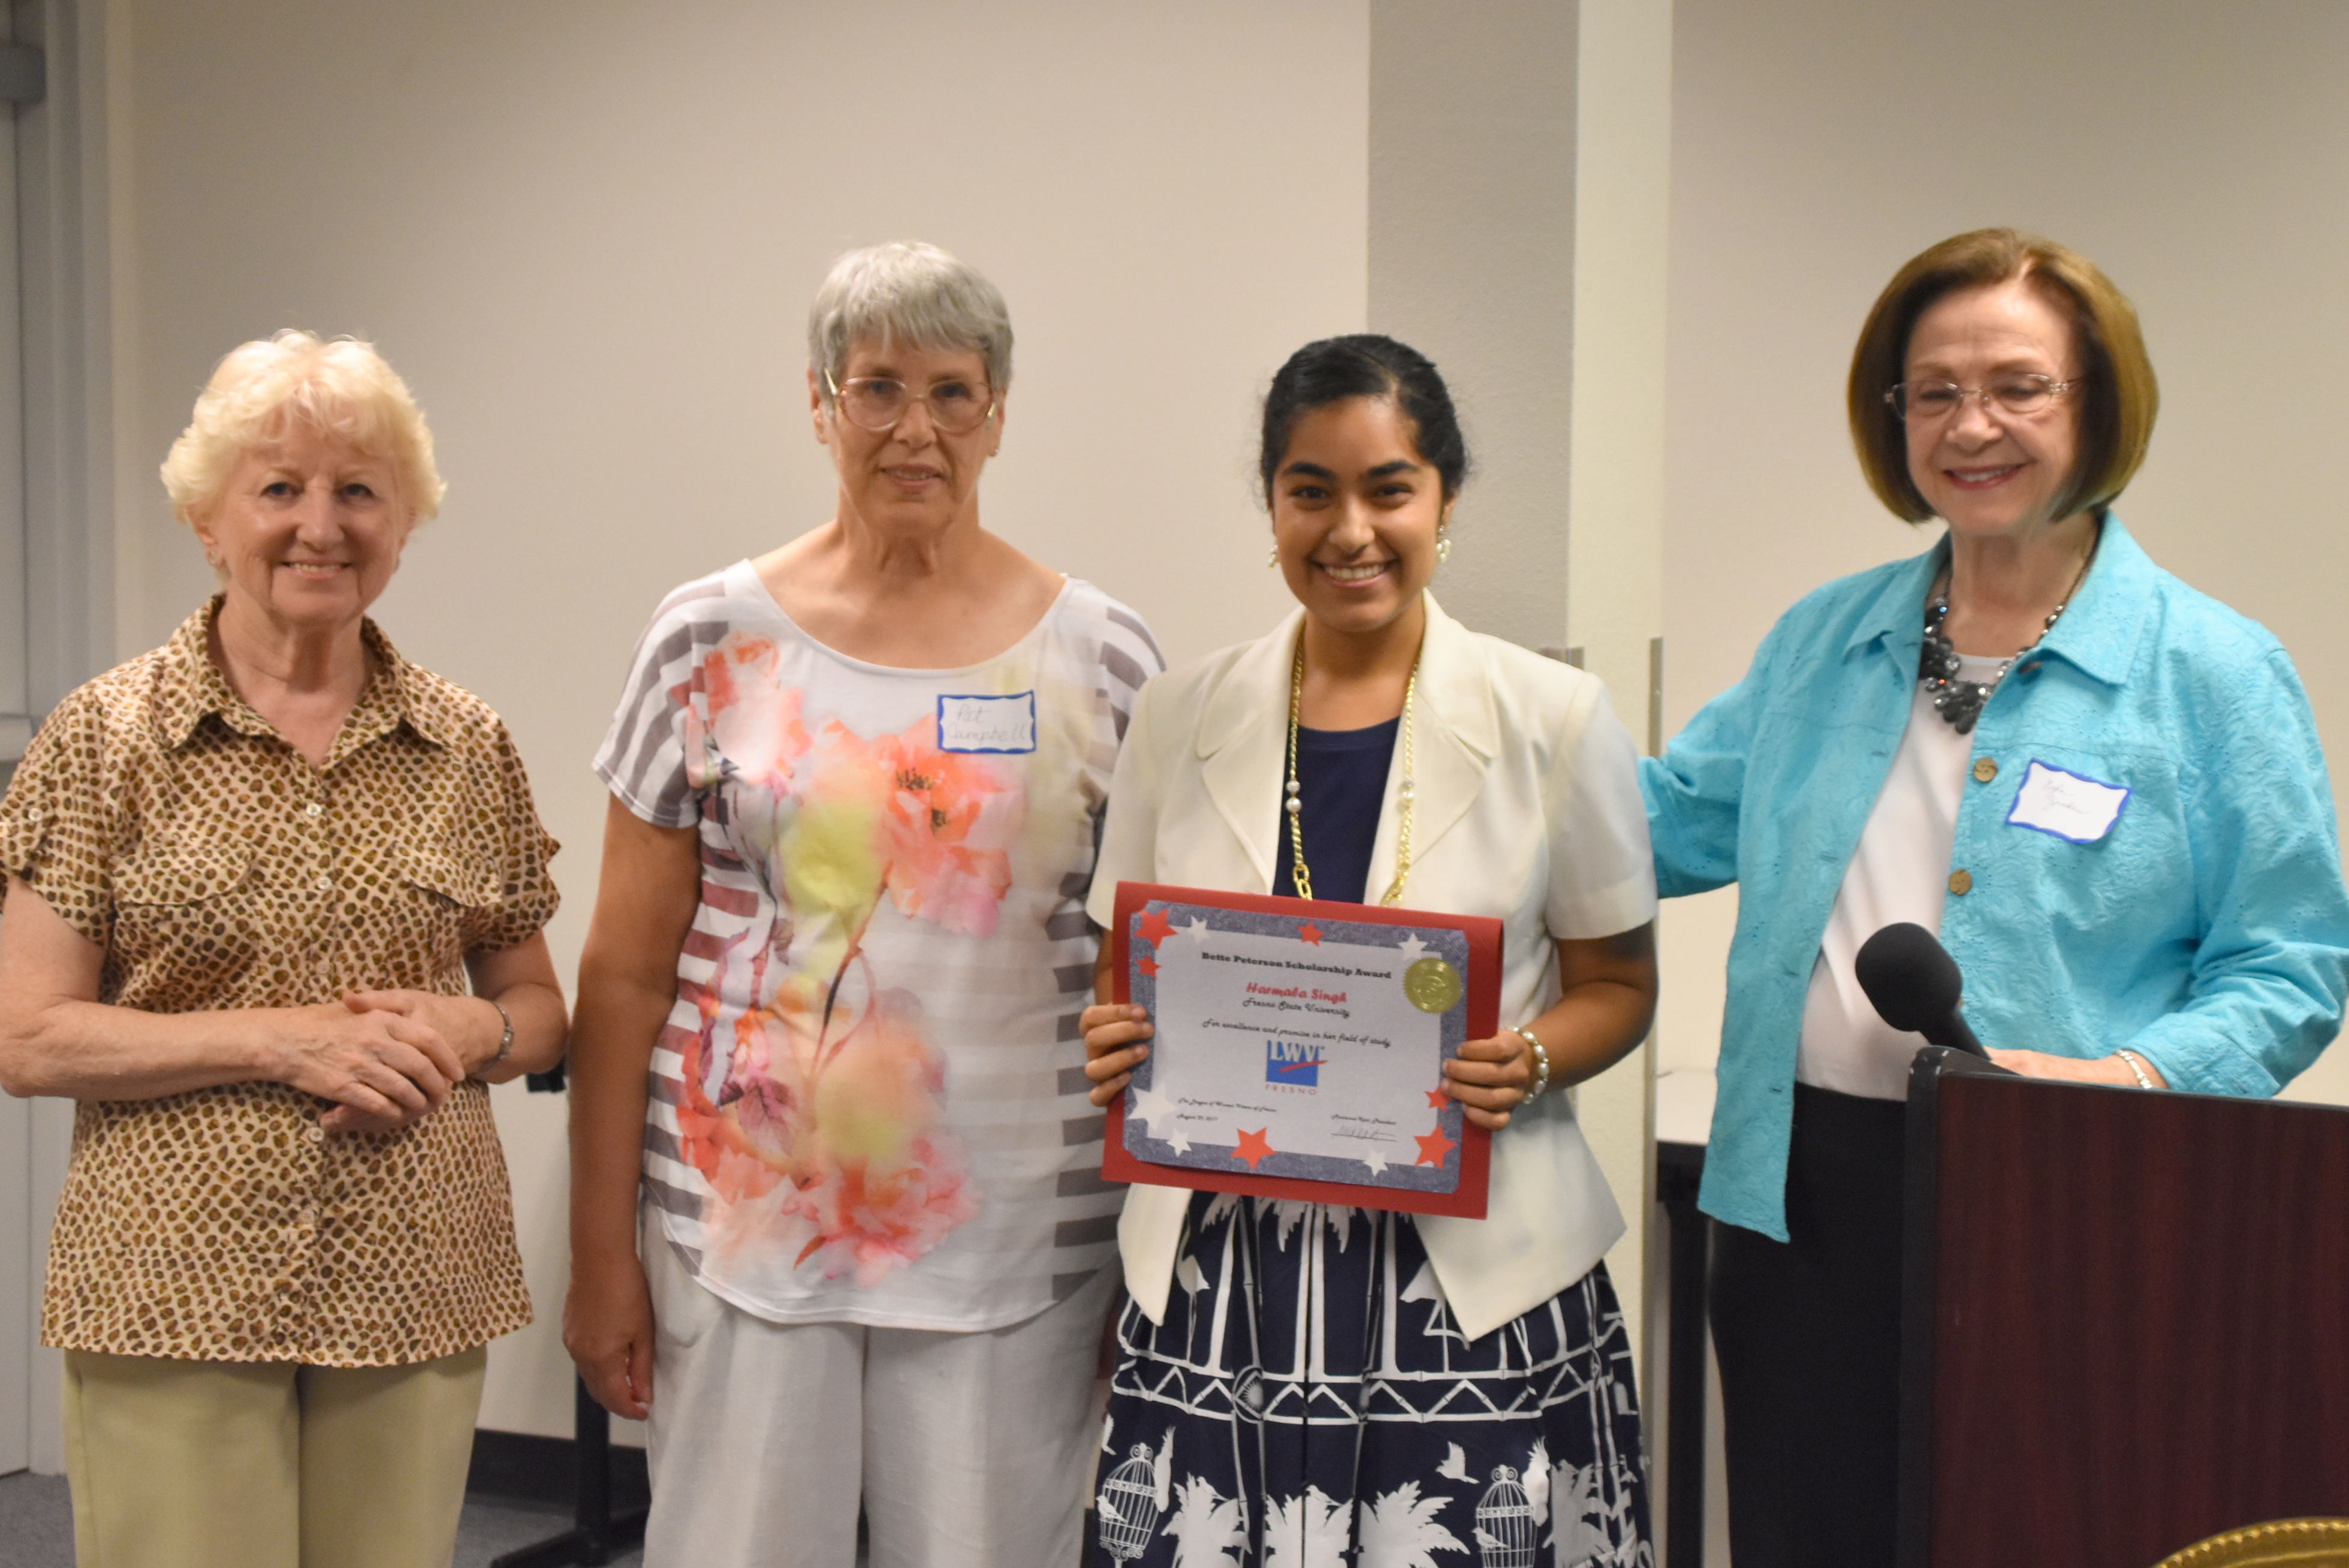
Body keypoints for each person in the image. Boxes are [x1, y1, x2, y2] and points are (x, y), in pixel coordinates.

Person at [1641, 228, 2349, 1565]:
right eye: (1934, 392)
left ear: (2098, 405)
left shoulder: (2211, 671)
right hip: (1796, 1198)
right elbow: (1671, 823)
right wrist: (1474, 720)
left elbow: (2291, 961)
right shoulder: (1823, 639)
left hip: (2068, 1198)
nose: (1972, 427)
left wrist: (2129, 1079)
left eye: (2019, 387)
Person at [566, 240, 1163, 1568]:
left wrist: (1149, 1249)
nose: (915, 429)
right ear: (819, 402)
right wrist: (600, 1253)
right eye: (878, 388)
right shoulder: (708, 637)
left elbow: (1145, 983)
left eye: (952, 393)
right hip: (742, 1230)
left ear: (998, 414)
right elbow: (621, 975)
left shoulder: (1101, 657)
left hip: (1021, 1246)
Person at [1081, 334, 1659, 1566]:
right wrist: (1116, 1035)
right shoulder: (1179, 715)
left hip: (1470, 1278)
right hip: (1227, 1273)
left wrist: (1531, 1059)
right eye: (1311, 491)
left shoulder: (1554, 718)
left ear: (1444, 499)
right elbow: (1122, 968)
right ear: (1272, 505)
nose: (1351, 531)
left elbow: (1618, 985)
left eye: (1389, 489)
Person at [0, 331, 568, 1568]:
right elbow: (29, 1037)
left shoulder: (467, 745)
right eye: (278, 488)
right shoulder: (104, 738)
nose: (322, 525)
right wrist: (282, 1042)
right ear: (208, 521)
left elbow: (535, 1007)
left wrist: (474, 1026)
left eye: (359, 490)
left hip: (416, 1273)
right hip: (173, 1283)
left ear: (403, 523)